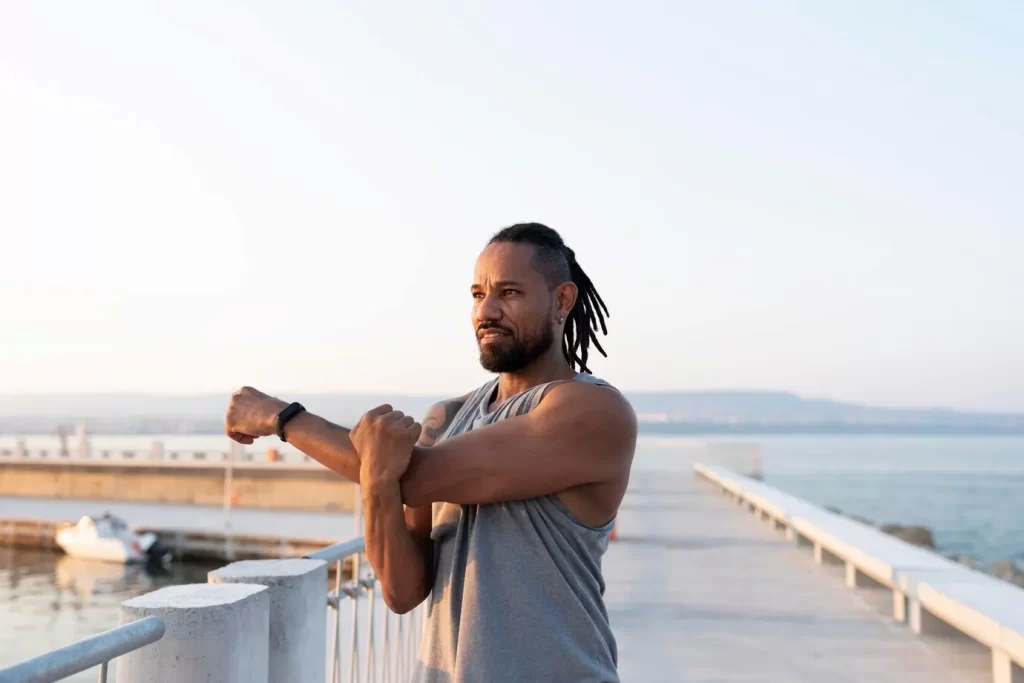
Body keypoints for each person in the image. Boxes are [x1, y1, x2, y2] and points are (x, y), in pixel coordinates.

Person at [225, 223, 637, 682]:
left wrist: (282, 417)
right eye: (478, 294)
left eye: (510, 293)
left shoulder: (592, 410)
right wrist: (378, 482)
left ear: (562, 300)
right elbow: (402, 591)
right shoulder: (448, 416)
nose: (488, 310)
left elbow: (416, 477)